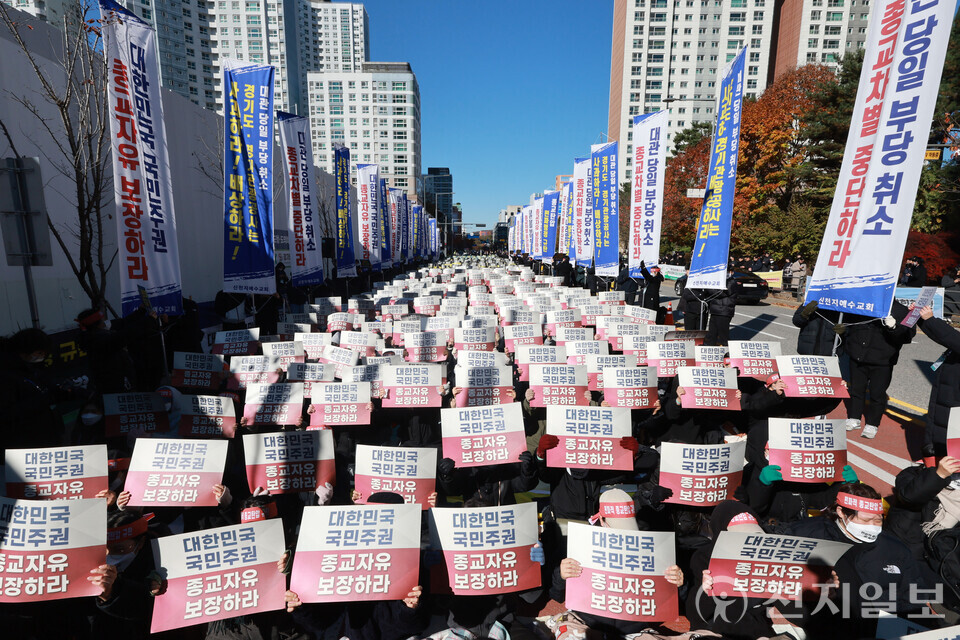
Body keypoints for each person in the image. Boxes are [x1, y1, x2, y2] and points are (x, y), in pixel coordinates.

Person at [842, 302, 915, 439]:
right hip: (857, 356)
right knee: (856, 390)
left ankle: (872, 423)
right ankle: (854, 417)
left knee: (877, 394)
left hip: (883, 360)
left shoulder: (901, 310)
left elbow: (908, 336)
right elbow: (848, 323)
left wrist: (894, 327)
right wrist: (845, 332)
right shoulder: (862, 304)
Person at [915, 305, 960, 460]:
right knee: (942, 422)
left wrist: (931, 320)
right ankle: (935, 460)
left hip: (955, 391)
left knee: (953, 429)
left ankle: (950, 469)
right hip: (950, 387)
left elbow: (953, 338)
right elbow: (945, 338)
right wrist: (920, 318)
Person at [705, 271, 736, 347]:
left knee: (723, 335)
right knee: (712, 333)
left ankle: (729, 350)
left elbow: (720, 293)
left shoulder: (731, 282)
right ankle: (709, 348)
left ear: (731, 272)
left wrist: (708, 288)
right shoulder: (718, 281)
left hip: (724, 311)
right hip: (715, 310)